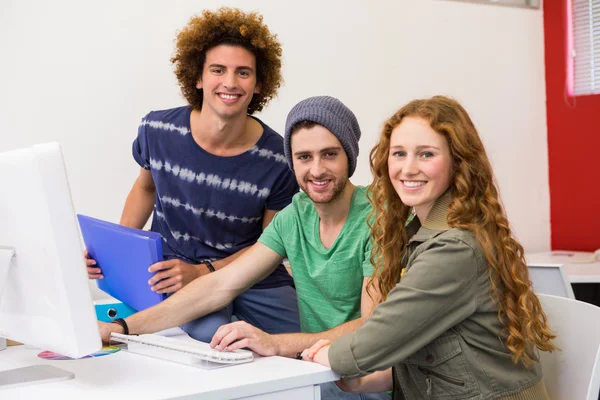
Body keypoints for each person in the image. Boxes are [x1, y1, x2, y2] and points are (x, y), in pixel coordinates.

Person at [99, 96, 390, 400]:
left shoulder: (379, 216)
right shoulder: (295, 216)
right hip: (317, 378)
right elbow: (219, 286)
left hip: (369, 386)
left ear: (349, 156)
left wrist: (277, 343)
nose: (316, 170)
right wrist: (120, 327)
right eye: (304, 157)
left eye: (329, 154)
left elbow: (370, 326)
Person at [302, 95, 556, 399]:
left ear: (458, 162)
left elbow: (378, 338)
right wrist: (365, 380)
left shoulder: (455, 247)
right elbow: (439, 351)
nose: (408, 168)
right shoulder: (419, 234)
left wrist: (329, 354)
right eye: (398, 153)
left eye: (426, 154)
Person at [86, 7, 300, 342]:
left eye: (243, 72)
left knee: (307, 338)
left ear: (259, 84)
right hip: (177, 274)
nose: (230, 82)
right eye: (218, 70)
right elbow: (145, 189)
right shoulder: (157, 130)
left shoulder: (279, 158)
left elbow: (268, 244)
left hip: (252, 275)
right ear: (198, 77)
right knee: (212, 335)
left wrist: (205, 271)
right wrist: (114, 253)